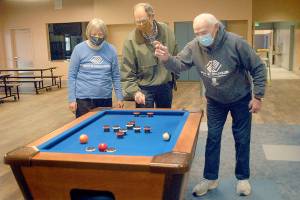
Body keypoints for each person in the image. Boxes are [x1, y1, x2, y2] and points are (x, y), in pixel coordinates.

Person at [154, 13, 266, 196]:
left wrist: (258, 96)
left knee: (242, 138)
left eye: (203, 32)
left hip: (241, 98)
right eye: (196, 33)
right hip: (214, 100)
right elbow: (180, 64)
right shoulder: (194, 46)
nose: (200, 36)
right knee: (212, 138)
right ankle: (210, 178)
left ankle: (243, 178)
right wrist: (167, 58)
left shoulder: (236, 43)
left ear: (216, 27)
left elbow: (258, 67)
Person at [120, 3, 178, 108]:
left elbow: (175, 55)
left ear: (152, 16)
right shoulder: (130, 40)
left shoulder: (167, 31)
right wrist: (134, 92)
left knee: (165, 119)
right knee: (145, 121)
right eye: (137, 22)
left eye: (143, 21)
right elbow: (126, 71)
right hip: (143, 89)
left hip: (165, 86)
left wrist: (174, 77)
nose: (141, 24)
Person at [68, 18, 124, 118]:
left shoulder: (111, 50)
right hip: (83, 100)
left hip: (105, 98)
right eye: (94, 34)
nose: (97, 37)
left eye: (100, 34)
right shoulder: (79, 49)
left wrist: (120, 97)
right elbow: (72, 76)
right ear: (88, 33)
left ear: (105, 34)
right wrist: (72, 99)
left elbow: (115, 76)